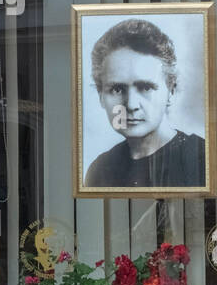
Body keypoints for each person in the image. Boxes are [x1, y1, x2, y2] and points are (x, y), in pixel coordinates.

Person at [83, 17, 205, 188]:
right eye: (117, 89)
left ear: (171, 91)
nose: (131, 105)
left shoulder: (201, 159)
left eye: (146, 87)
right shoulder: (100, 169)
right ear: (100, 96)